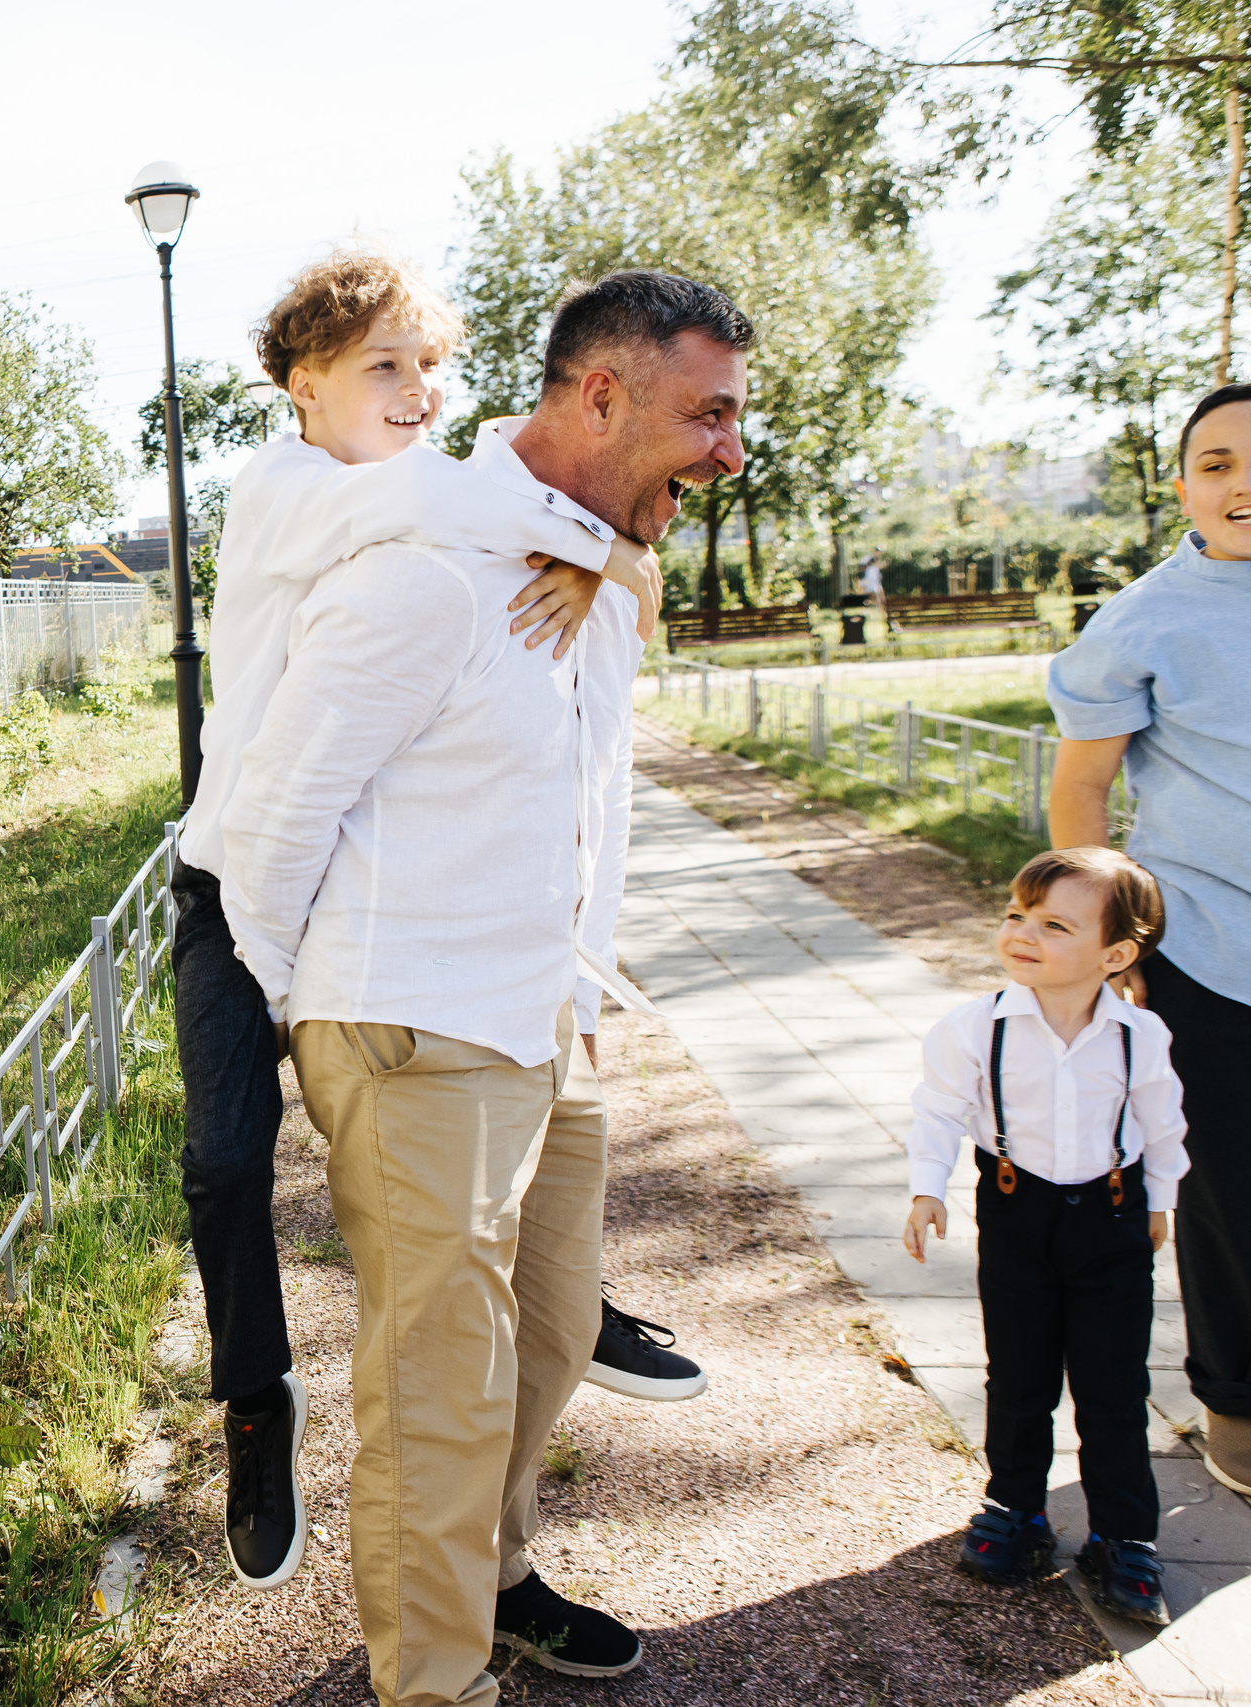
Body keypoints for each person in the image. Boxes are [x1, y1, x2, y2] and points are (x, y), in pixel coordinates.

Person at [223, 270, 751, 1705]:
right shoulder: (424, 559)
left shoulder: (586, 560)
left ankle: (497, 1575)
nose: (730, 449)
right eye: (708, 413)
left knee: (557, 1324)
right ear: (601, 394)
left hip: (547, 1013)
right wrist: (332, 1018)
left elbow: (578, 802)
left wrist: (578, 989)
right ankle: (435, 1677)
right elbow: (275, 816)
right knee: (439, 1392)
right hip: (413, 1023)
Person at [1049, 379, 1251, 1498]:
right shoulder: (1145, 619)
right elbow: (1082, 790)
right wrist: (1099, 946)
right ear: (1180, 487)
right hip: (1210, 950)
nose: (1240, 484)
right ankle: (1236, 1402)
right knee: (1231, 1200)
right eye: (1215, 464)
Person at [902, 847, 1186, 1626]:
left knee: (1114, 1385)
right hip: (1017, 1217)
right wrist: (927, 1186)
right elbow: (938, 1109)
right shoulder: (975, 1026)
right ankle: (1016, 1508)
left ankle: (1124, 1534)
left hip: (1114, 1221)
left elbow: (1164, 1127)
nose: (1023, 932)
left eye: (1055, 924)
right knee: (1020, 1373)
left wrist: (1159, 1200)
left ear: (1116, 954)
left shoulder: (1140, 1034)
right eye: (1016, 914)